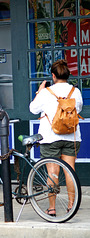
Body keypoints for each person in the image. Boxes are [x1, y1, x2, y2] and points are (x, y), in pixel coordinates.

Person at [29, 59, 83, 216]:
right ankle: (71, 206)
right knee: (70, 171)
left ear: (53, 76)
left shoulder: (46, 92)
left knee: (52, 172)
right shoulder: (76, 91)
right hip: (71, 135)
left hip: (50, 137)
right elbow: (78, 108)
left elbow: (33, 109)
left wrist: (39, 91)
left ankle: (52, 208)